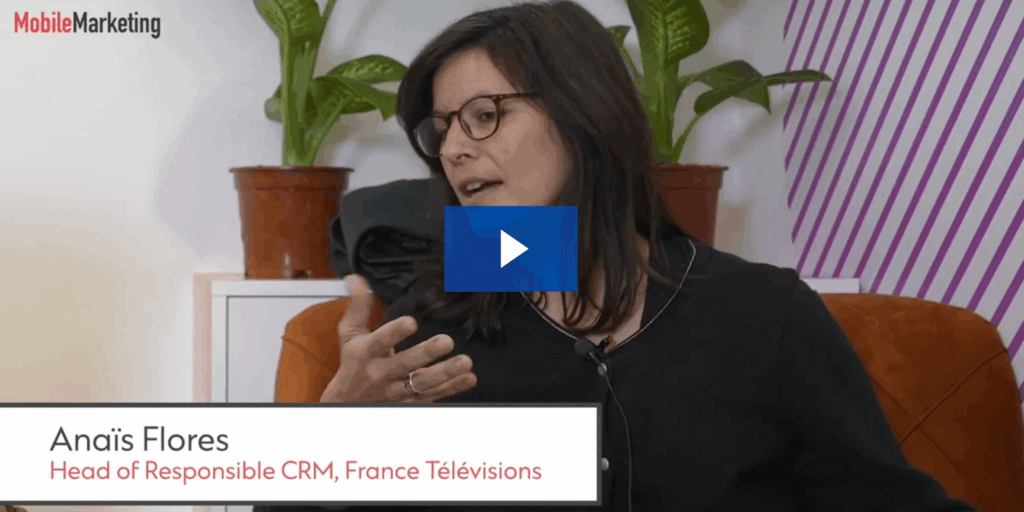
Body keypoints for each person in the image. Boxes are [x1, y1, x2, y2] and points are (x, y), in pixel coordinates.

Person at [259, 1, 980, 511]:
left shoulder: (764, 314)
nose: (452, 149)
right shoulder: (434, 332)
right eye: (440, 130)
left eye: (483, 115)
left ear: (585, 113)